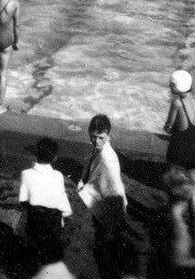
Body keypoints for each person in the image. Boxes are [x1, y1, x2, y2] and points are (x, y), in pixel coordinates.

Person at [77, 114, 129, 278]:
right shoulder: (102, 150)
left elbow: (112, 187)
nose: (96, 141)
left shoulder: (108, 158)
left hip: (110, 207)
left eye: (101, 137)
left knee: (105, 245)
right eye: (93, 137)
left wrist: (83, 188)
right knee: (104, 242)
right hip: (109, 205)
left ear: (109, 136)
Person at [18, 137, 71, 267]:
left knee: (33, 248)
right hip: (53, 225)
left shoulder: (26, 174)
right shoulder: (58, 176)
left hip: (34, 224)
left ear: (36, 155)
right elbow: (63, 205)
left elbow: (22, 200)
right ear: (54, 158)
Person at [163, 70, 195, 240]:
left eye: (171, 84)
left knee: (174, 193)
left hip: (178, 154)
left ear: (178, 88)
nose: (169, 87)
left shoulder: (177, 104)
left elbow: (169, 127)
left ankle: (175, 229)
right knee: (193, 193)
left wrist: (167, 126)